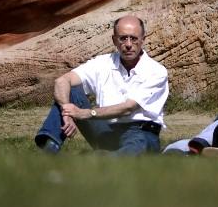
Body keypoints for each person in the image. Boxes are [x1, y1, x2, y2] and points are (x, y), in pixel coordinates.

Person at [34, 15, 169, 155]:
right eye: (123, 38)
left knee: (132, 152)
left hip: (141, 132)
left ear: (143, 40)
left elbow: (128, 108)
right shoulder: (102, 63)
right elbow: (62, 81)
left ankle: (101, 159)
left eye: (133, 38)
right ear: (114, 40)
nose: (128, 44)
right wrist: (66, 111)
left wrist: (85, 113)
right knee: (71, 91)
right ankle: (49, 147)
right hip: (106, 130)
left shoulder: (156, 71)